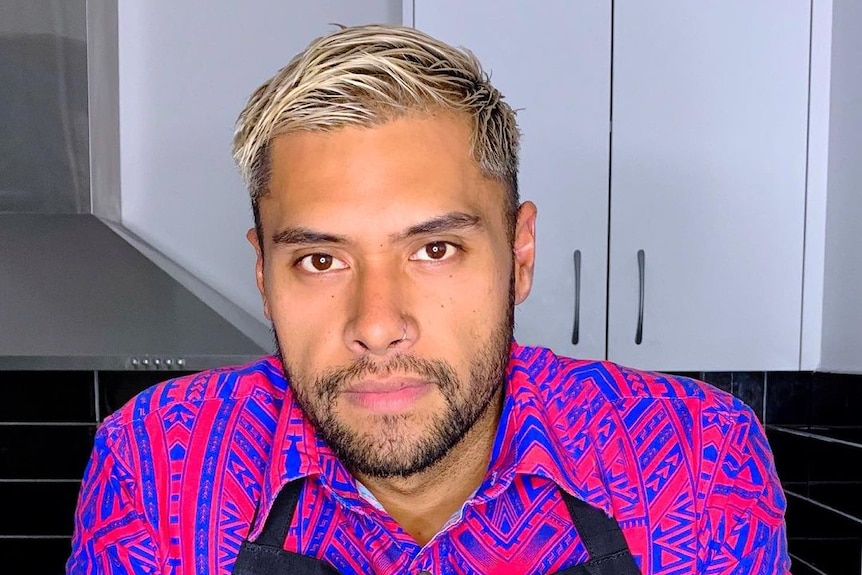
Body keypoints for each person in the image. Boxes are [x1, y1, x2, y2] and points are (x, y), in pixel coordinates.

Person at [67, 23, 790, 575]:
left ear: (520, 253)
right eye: (320, 259)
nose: (378, 325)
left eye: (434, 250)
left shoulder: (698, 462)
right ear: (264, 276)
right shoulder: (157, 463)